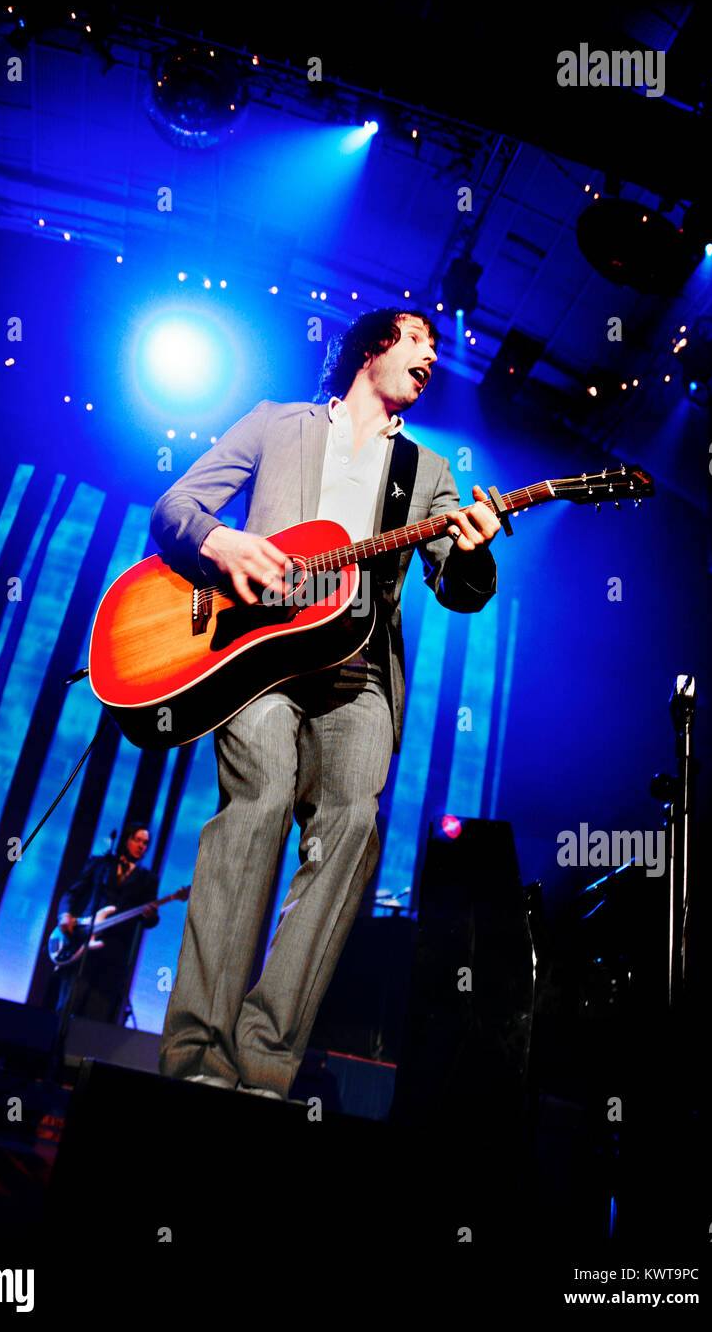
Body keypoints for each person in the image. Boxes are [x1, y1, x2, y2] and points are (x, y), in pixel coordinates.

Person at [150, 307, 500, 1099]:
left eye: (437, 350)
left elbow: (459, 588)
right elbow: (174, 510)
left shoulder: (430, 471)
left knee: (350, 832)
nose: (432, 357)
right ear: (373, 348)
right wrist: (223, 543)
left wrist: (475, 555)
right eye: (419, 341)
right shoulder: (277, 423)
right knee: (259, 805)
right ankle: (197, 1059)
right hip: (259, 664)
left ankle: (265, 1062)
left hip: (361, 675)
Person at [55, 822, 159, 1025]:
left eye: (145, 843)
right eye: (137, 840)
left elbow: (151, 921)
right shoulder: (101, 864)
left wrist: (150, 916)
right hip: (82, 945)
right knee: (64, 1011)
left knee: (95, 1019)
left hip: (113, 957)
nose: (141, 846)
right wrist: (64, 915)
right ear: (126, 840)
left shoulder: (148, 880)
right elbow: (72, 892)